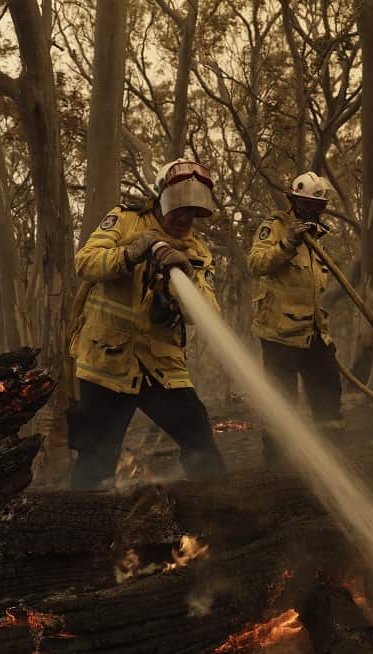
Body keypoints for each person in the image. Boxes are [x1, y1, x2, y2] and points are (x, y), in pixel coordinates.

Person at [67, 158, 226, 490]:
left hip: (161, 367)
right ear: (160, 198)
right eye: (179, 207)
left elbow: (207, 313)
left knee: (201, 444)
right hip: (108, 361)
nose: (185, 217)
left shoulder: (199, 253)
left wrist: (187, 276)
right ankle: (81, 530)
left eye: (193, 210)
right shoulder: (125, 222)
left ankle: (217, 517)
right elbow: (85, 262)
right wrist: (131, 253)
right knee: (95, 462)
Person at [248, 171, 343, 462]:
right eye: (306, 205)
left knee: (329, 391)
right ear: (293, 201)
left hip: (313, 332)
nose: (312, 211)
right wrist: (287, 244)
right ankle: (275, 468)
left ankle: (333, 457)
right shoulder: (276, 226)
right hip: (280, 334)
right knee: (281, 404)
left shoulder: (317, 237)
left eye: (317, 207)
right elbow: (256, 263)